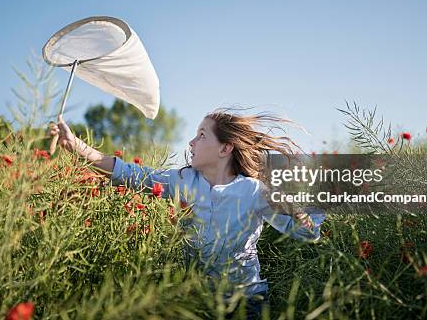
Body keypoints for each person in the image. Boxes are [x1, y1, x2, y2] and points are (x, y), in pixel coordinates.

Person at [49, 109, 325, 319]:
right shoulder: (183, 180)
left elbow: (306, 232)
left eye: (202, 135)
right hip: (199, 300)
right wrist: (76, 146)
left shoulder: (253, 191)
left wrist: (303, 213)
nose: (192, 142)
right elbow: (130, 174)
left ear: (225, 148)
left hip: (247, 303)